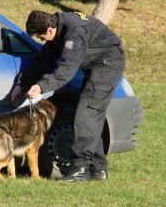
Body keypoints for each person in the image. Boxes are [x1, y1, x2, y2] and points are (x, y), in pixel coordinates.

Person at [11, 10, 126, 182]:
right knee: (91, 116)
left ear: (50, 30)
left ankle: (80, 169)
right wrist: (22, 84)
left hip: (108, 64)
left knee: (86, 113)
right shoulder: (59, 27)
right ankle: (98, 168)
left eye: (41, 38)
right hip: (98, 63)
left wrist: (42, 86)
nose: (42, 41)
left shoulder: (74, 33)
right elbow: (44, 60)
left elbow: (67, 70)